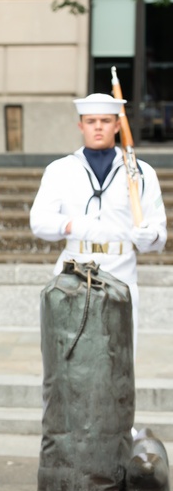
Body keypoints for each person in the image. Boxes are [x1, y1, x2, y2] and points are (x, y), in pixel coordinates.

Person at [30, 92, 166, 347]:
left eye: (105, 120)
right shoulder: (60, 170)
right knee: (72, 362)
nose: (99, 127)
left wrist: (150, 236)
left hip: (121, 273)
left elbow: (159, 233)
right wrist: (71, 225)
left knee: (120, 362)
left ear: (117, 125)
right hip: (73, 272)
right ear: (81, 126)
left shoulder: (141, 171)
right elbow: (38, 221)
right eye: (91, 121)